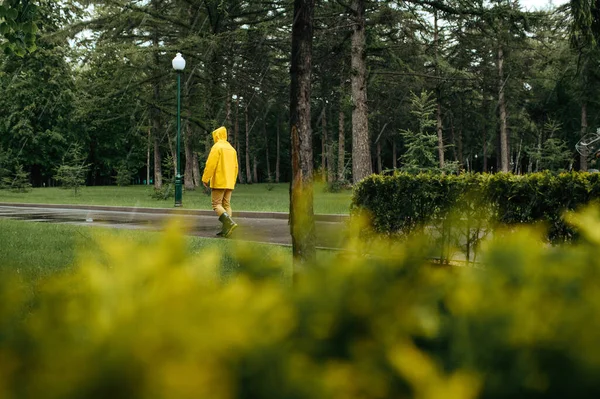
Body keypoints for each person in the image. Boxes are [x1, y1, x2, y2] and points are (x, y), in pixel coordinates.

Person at [202, 126, 239, 237]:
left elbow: (210, 164)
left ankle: (229, 223)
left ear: (216, 136)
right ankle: (226, 230)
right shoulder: (232, 149)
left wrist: (205, 178)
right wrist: (233, 180)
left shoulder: (217, 147)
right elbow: (236, 167)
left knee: (216, 204)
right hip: (229, 181)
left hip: (219, 180)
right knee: (226, 204)